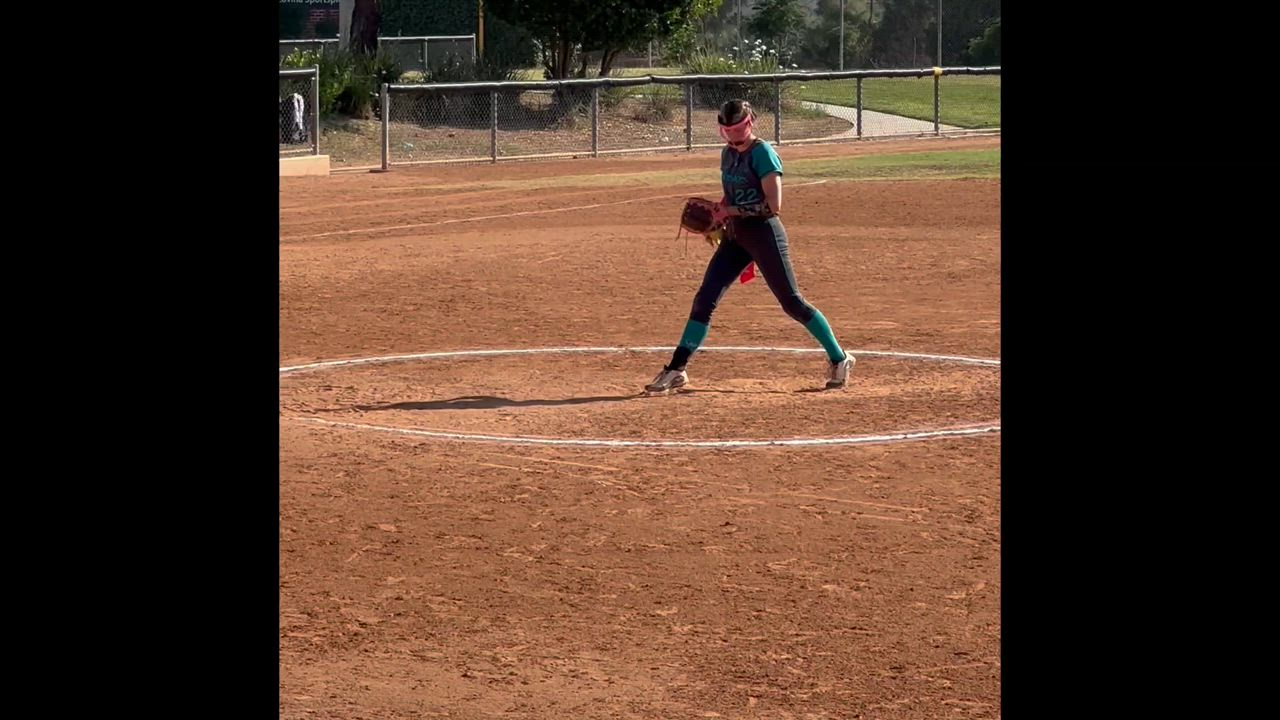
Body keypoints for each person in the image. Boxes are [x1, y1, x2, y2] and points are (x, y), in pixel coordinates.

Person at [645, 99, 853, 394]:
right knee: (705, 299)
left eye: (737, 128)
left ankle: (840, 359)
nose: (732, 134)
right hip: (736, 237)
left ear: (750, 123)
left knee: (792, 302)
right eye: (727, 129)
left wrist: (730, 212)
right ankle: (677, 369)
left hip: (765, 235)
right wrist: (720, 212)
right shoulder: (728, 154)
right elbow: (731, 196)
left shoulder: (763, 154)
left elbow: (773, 206)